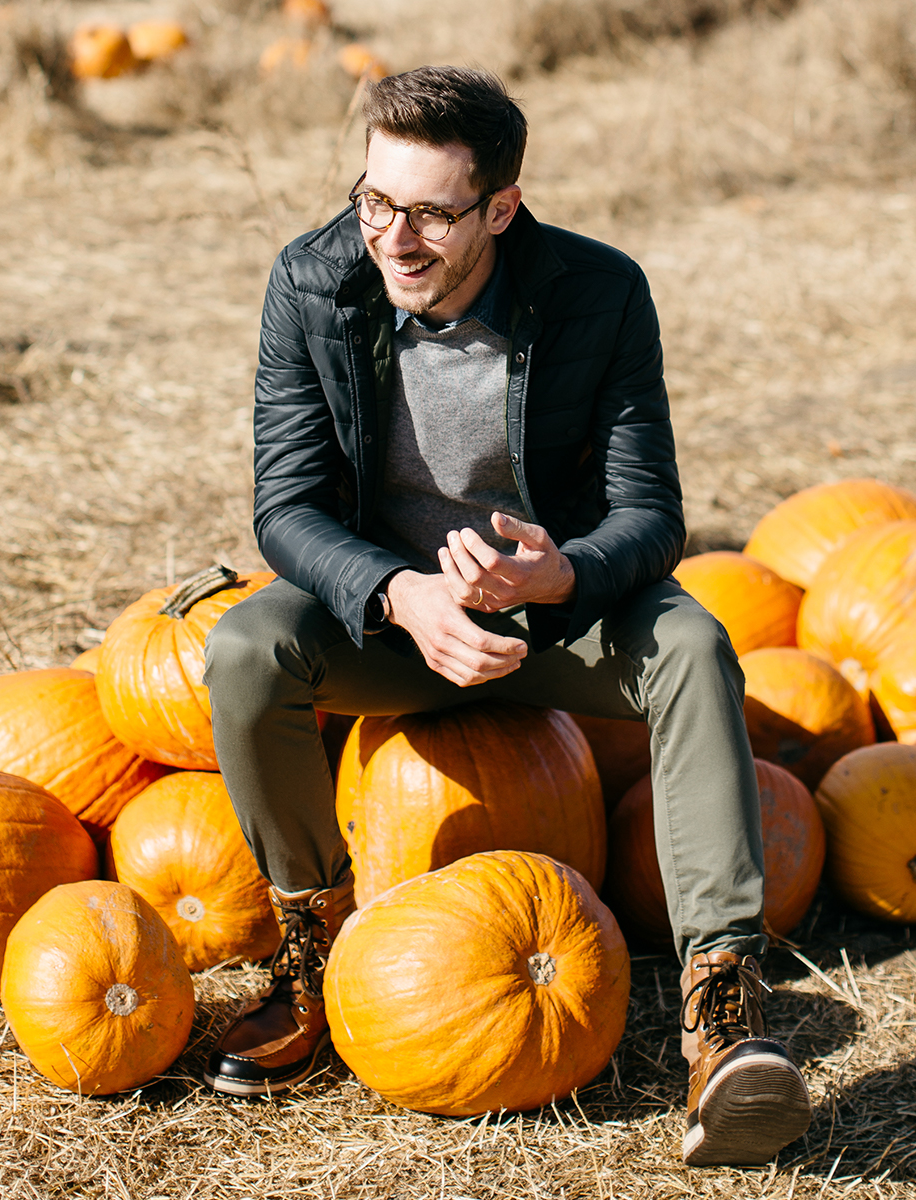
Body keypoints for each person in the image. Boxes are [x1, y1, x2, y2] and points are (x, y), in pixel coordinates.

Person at [200, 66, 810, 1167]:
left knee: (690, 643)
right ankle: (310, 948)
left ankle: (722, 1007)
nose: (394, 237)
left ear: (500, 207)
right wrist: (395, 593)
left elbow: (649, 513)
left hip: (553, 614)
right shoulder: (310, 282)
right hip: (390, 622)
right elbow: (282, 507)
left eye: (431, 213)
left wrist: (560, 574)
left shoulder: (597, 291)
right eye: (374, 201)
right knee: (245, 646)